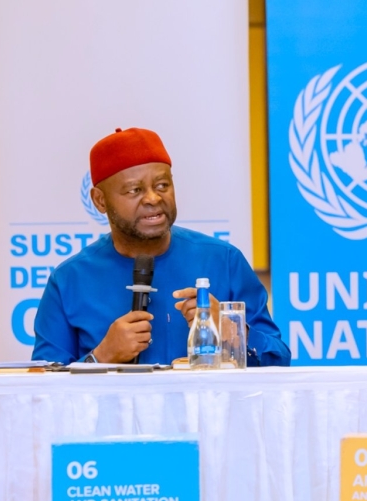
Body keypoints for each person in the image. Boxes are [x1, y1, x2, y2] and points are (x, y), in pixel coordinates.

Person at [32, 128, 290, 366]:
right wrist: (100, 357)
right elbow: (42, 391)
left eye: (162, 185)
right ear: (100, 201)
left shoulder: (223, 261)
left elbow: (279, 360)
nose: (154, 198)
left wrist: (231, 330)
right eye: (134, 190)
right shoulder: (69, 280)